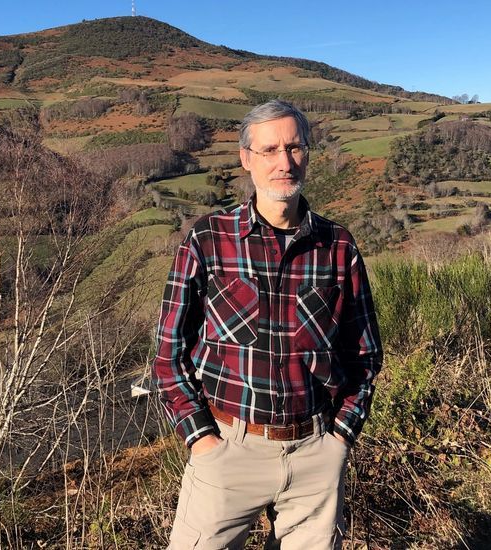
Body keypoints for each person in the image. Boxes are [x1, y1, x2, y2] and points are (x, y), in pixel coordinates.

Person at [153, 100, 383, 549]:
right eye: (270, 150)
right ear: (246, 158)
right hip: (228, 449)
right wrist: (202, 441)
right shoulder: (208, 239)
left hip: (315, 452)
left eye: (295, 148)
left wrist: (340, 439)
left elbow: (365, 354)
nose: (284, 162)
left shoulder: (337, 246)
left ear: (308, 153)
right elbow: (168, 355)